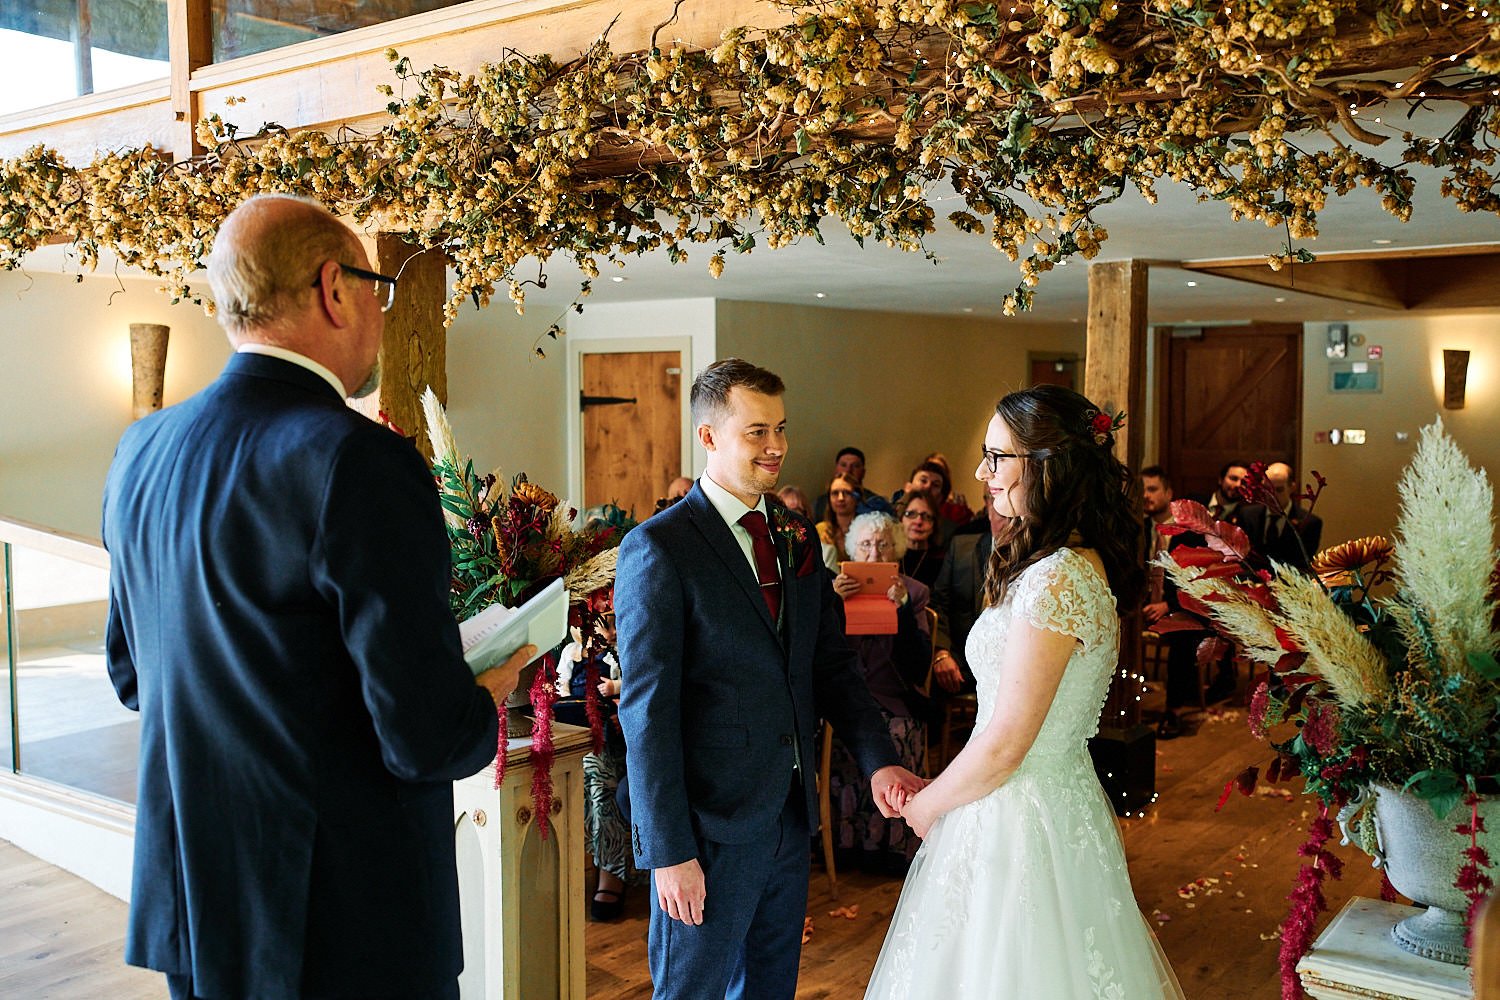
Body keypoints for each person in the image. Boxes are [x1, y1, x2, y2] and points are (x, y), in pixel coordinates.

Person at [100, 194, 533, 1000]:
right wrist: (485, 693)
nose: (378, 309)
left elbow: (134, 677)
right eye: (376, 286)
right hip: (339, 916)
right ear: (335, 287)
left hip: (196, 896)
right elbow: (423, 736)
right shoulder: (358, 460)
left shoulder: (140, 451)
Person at [615, 358, 923, 1000]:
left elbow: (829, 665)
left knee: (769, 991)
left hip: (788, 818)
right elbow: (647, 713)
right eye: (757, 431)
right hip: (705, 829)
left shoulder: (793, 538)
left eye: (781, 428)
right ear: (708, 437)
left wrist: (879, 761)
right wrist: (669, 851)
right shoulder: (660, 548)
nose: (777, 446)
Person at [865, 385, 1185, 999]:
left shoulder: (1057, 577)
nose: (982, 473)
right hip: (1027, 798)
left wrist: (930, 809)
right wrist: (943, 789)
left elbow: (1010, 740)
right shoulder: (1055, 564)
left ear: (1045, 465)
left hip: (1021, 816)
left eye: (996, 457)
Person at [830, 512, 932, 874]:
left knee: (899, 731)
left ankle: (892, 848)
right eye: (866, 545)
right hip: (847, 700)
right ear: (852, 551)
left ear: (897, 549)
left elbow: (918, 666)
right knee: (841, 735)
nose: (874, 554)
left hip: (893, 696)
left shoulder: (914, 592)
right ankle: (843, 847)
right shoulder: (836, 589)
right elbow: (823, 657)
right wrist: (833, 607)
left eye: (883, 544)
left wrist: (902, 610)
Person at [1140, 465, 1205, 740]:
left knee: (1182, 634)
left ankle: (1174, 710)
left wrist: (1168, 606)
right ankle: (1121, 704)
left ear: (1168, 493)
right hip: (1143, 608)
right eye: (1142, 490)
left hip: (1181, 607)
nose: (1146, 495)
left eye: (1152, 489)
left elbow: (1198, 584)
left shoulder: (1189, 533)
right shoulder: (1140, 529)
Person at [1263, 462, 1323, 571]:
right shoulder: (1248, 515)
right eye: (1267, 489)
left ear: (1292, 487)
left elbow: (1302, 564)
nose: (1272, 495)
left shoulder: (1309, 523)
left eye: (1279, 490)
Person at [813, 447, 878, 520]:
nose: (848, 470)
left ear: (863, 472)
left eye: (855, 466)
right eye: (843, 465)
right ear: (836, 469)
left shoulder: (875, 502)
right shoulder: (821, 503)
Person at [895, 493, 944, 589]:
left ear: (934, 525)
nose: (918, 521)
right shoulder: (890, 556)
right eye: (911, 514)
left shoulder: (943, 561)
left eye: (926, 516)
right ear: (901, 519)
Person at [817, 474, 859, 569]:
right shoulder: (821, 530)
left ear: (857, 497)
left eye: (847, 493)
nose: (841, 498)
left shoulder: (866, 530)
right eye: (835, 493)